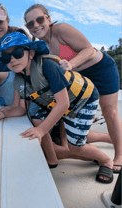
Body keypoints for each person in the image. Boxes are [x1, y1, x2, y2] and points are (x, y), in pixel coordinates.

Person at [0, 32, 114, 183]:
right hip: (57, 103)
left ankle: (106, 161)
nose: (12, 59)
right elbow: (20, 108)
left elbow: (64, 104)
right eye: (6, 57)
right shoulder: (18, 79)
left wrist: (41, 131)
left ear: (31, 53)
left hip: (83, 100)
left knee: (75, 147)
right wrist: (5, 112)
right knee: (36, 117)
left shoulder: (48, 66)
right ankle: (52, 159)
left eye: (18, 53)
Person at [23, 4, 122, 174]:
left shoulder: (60, 29)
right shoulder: (41, 46)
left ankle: (119, 155)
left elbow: (89, 49)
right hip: (79, 79)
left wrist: (71, 64)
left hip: (100, 69)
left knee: (109, 110)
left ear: (48, 18)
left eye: (39, 19)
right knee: (70, 112)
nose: (36, 25)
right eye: (30, 24)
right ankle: (74, 141)